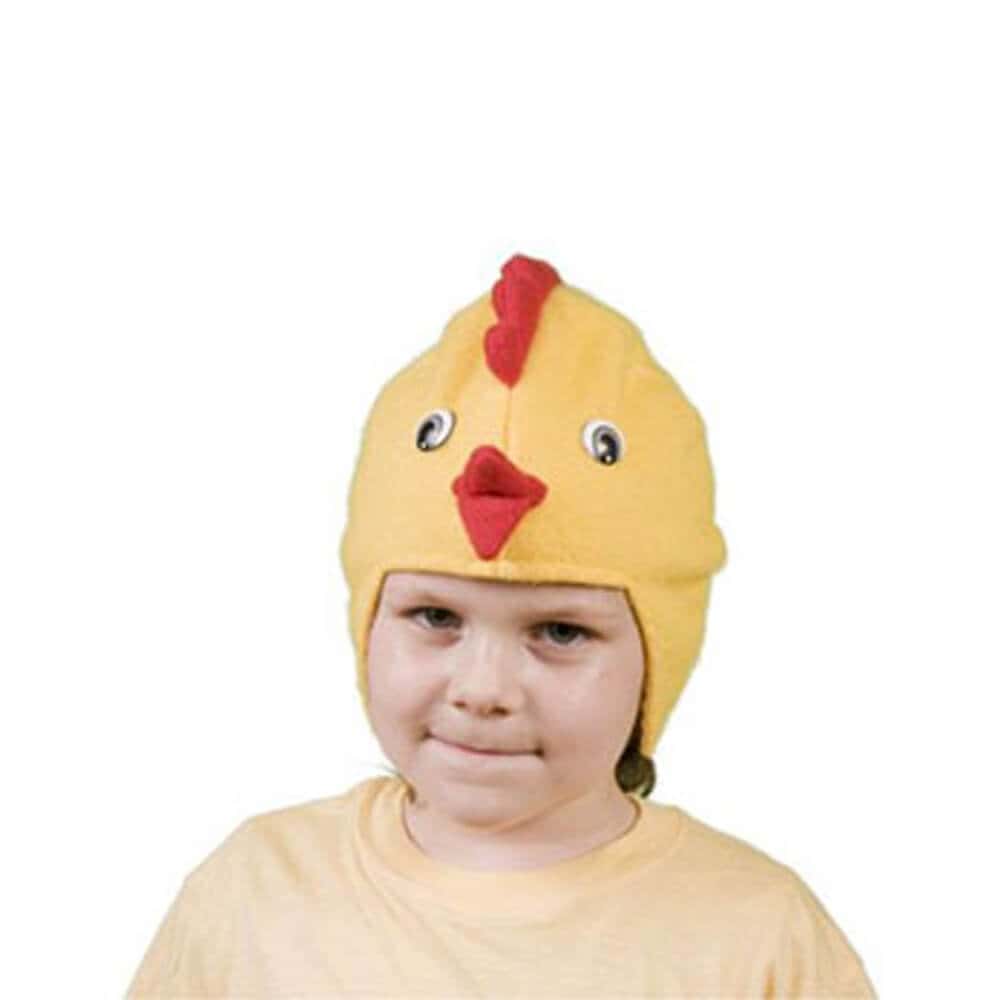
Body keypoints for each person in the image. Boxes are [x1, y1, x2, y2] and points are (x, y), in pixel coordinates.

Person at [126, 253, 877, 998]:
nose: (483, 690)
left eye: (560, 632)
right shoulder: (252, 895)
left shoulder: (759, 936)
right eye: (435, 617)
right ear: (367, 626)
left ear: (659, 657)